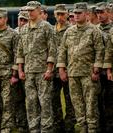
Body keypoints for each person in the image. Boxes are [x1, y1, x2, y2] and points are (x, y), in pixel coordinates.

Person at [57, 2, 104, 133]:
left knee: (91, 105)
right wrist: (61, 69)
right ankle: (83, 128)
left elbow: (100, 50)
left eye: (79, 13)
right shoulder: (69, 31)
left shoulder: (94, 30)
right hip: (73, 74)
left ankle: (93, 129)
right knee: (77, 105)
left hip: (88, 74)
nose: (76, 16)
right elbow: (62, 51)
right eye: (74, 13)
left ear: (87, 14)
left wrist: (96, 69)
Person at [16, 1, 56, 132]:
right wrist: (20, 70)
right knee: (31, 103)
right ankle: (33, 129)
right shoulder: (24, 29)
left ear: (39, 10)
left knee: (45, 103)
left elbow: (52, 50)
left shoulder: (46, 27)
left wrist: (50, 69)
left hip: (42, 72)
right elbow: (20, 52)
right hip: (28, 72)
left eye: (32, 10)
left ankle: (46, 129)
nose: (29, 12)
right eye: (28, 10)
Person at [53, 4, 76, 133]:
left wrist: (66, 68)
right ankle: (58, 126)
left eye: (62, 14)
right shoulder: (51, 30)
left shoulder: (72, 30)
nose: (60, 17)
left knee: (69, 101)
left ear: (67, 14)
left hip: (68, 70)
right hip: (53, 72)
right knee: (54, 100)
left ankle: (69, 127)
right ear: (55, 15)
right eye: (58, 14)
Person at [96, 2, 113, 132]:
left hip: (109, 71)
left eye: (102, 12)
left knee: (110, 100)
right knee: (98, 100)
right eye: (98, 13)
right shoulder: (95, 29)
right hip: (97, 71)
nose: (99, 15)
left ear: (108, 12)